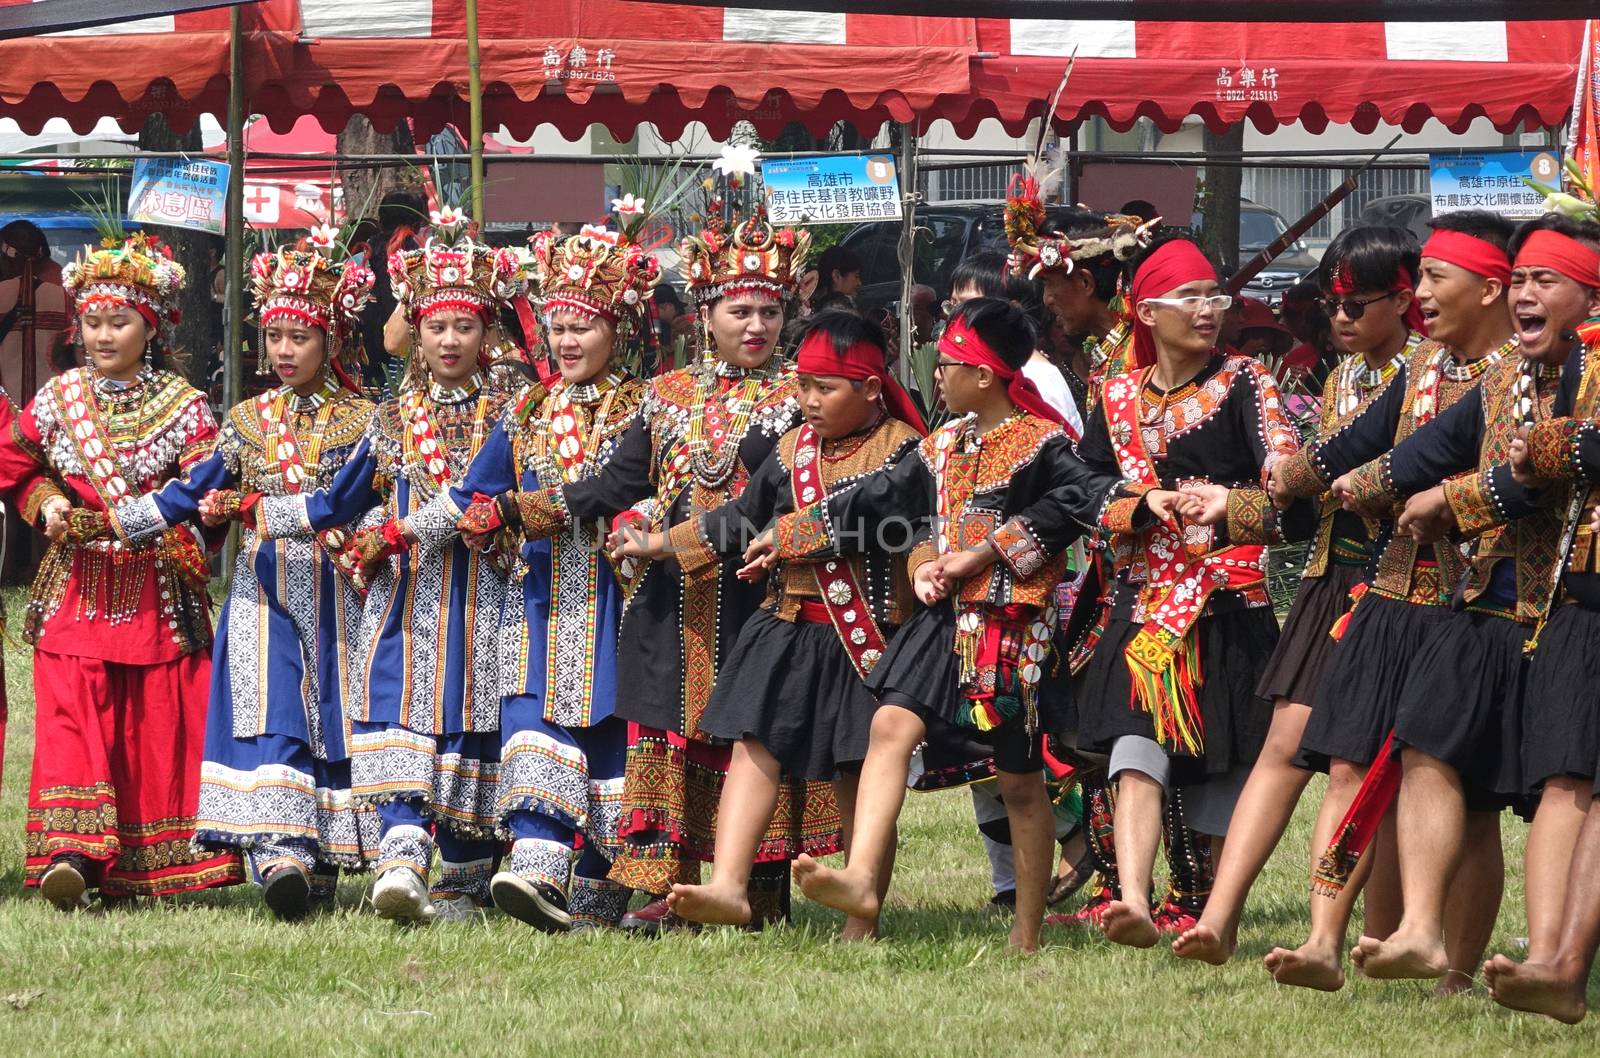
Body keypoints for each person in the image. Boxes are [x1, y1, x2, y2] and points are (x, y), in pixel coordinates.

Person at [478, 206, 840, 933]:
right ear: (707, 315)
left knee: (754, 735)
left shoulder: (801, 400)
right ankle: (666, 895)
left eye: (770, 310)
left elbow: (769, 499)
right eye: (739, 310)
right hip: (669, 600)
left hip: (756, 589)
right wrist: (521, 510)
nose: (756, 327)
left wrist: (665, 539)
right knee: (667, 734)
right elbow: (615, 485)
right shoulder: (668, 396)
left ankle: (757, 891)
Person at [790, 297, 1151, 952]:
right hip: (942, 619)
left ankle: (1026, 931)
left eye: (950, 364)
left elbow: (1084, 502)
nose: (938, 376)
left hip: (1007, 627)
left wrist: (986, 552)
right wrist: (780, 535)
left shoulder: (1044, 446)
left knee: (1018, 779)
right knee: (889, 724)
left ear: (984, 375)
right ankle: (864, 879)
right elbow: (884, 501)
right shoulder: (944, 443)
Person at [247, 208, 530, 924]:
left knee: (473, 709)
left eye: (464, 326)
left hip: (481, 587)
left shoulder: (510, 409)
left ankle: (462, 877)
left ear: (487, 332)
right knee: (394, 699)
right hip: (404, 596)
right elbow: (341, 499)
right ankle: (402, 851)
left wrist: (395, 531)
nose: (448, 340)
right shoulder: (392, 413)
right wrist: (265, 511)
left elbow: (475, 497)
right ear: (416, 332)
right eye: (435, 326)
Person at [1262, 210, 1518, 990]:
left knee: (1466, 796)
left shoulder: (1520, 376)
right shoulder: (1426, 368)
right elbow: (1358, 447)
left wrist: (1368, 485)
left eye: (1436, 279)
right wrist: (1274, 485)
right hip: (1392, 586)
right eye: (1422, 279)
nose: (1422, 297)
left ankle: (1454, 969)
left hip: (1473, 601)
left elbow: (1418, 466)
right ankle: (1320, 942)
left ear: (1489, 287)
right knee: (1346, 766)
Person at [608, 309, 924, 937]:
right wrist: (660, 545)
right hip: (785, 627)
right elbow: (741, 516)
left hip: (858, 637)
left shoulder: (905, 453)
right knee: (754, 748)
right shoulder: (790, 449)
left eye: (824, 388)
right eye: (802, 385)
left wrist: (793, 534)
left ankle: (862, 919)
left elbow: (878, 513)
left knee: (856, 771)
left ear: (869, 388)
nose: (807, 400)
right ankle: (728, 886)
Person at [1339, 215, 1596, 986]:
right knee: (1427, 745)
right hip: (1493, 600)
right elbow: (1419, 450)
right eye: (1520, 278)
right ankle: (1421, 931)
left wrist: (1466, 493)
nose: (1525, 293)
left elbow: (1560, 457)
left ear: (1589, 295)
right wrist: (1322, 486)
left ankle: (1557, 962)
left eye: (1543, 280)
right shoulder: (1506, 379)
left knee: (1570, 779)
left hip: (1577, 605)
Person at [109, 229, 381, 920]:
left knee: (336, 718)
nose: (284, 351)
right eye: (275, 336)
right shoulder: (247, 420)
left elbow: (340, 504)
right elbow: (193, 491)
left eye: (300, 336)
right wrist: (121, 522)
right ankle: (279, 849)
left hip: (339, 592)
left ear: (334, 339)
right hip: (264, 593)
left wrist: (252, 504)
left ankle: (320, 856)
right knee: (275, 712)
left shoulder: (366, 421)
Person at [1171, 224, 1422, 966]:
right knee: (1284, 747)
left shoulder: (1430, 372)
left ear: (1404, 299)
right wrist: (1234, 509)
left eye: (1355, 303)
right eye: (1329, 302)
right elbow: (1311, 503)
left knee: (1363, 764)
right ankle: (1218, 919)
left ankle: (1345, 937)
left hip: (1401, 580)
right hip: (1329, 579)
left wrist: (1257, 497)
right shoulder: (1342, 380)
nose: (1338, 318)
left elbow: (1371, 481)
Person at [1068, 235, 1313, 949]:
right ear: (1147, 311)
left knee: (1223, 765)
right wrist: (1141, 503)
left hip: (1225, 603)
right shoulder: (1115, 397)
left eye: (1216, 297)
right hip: (1142, 606)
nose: (1209, 311)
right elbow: (1083, 486)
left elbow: (1294, 498)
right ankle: (1136, 902)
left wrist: (1231, 506)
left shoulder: (1247, 384)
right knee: (1134, 750)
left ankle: (1209, 912)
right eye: (1191, 298)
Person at [12, 232, 243, 908]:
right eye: (92, 321)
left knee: (151, 724)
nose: (103, 334)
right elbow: (17, 463)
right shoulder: (58, 402)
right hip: (76, 586)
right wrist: (48, 501)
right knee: (69, 715)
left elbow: (210, 495)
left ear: (151, 325)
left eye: (119, 321)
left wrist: (190, 520)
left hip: (153, 592)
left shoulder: (184, 405)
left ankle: (151, 863)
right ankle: (74, 854)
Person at [444, 217, 658, 932]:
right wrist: (485, 523)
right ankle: (535, 867)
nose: (567, 341)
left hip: (617, 595)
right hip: (537, 597)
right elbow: (479, 491)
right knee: (532, 718)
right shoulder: (528, 406)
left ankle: (599, 891)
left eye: (584, 327)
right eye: (558, 326)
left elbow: (650, 491)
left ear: (618, 331)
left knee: (610, 729)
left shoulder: (646, 408)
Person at [811, 245, 863, 313]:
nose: (859, 283)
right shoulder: (842, 314)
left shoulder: (815, 309)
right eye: (856, 276)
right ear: (836, 276)